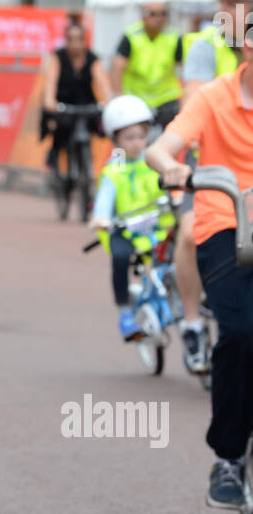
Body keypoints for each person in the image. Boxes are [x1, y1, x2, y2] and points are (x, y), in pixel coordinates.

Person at [146, 24, 253, 509]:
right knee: (241, 332)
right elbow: (161, 147)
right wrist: (173, 165)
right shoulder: (214, 97)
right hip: (227, 222)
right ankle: (228, 456)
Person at [171, 0, 253, 374]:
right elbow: (193, 104)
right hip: (212, 172)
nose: (223, 12)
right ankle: (190, 325)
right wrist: (177, 167)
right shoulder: (206, 47)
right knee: (189, 232)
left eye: (232, 4)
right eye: (222, 2)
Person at [89, 95, 175, 341]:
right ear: (115, 139)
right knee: (120, 257)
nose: (137, 143)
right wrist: (102, 218)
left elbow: (171, 182)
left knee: (177, 257)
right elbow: (105, 198)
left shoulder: (154, 159)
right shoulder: (114, 169)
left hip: (157, 225)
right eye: (129, 138)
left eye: (141, 136)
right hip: (125, 229)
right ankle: (125, 312)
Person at [42, 19, 112, 179]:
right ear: (66, 40)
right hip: (63, 104)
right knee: (61, 128)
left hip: (86, 104)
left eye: (79, 39)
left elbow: (102, 81)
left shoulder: (92, 58)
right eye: (71, 39)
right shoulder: (57, 57)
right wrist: (49, 99)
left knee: (99, 126)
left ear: (84, 40)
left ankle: (87, 171)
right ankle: (53, 154)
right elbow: (51, 81)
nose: (75, 44)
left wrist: (109, 98)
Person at [110, 0, 183, 128]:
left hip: (166, 99)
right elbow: (117, 66)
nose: (159, 18)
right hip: (136, 99)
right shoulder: (131, 35)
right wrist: (118, 98)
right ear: (143, 16)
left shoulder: (174, 36)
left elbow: (184, 67)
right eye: (153, 14)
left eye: (163, 14)